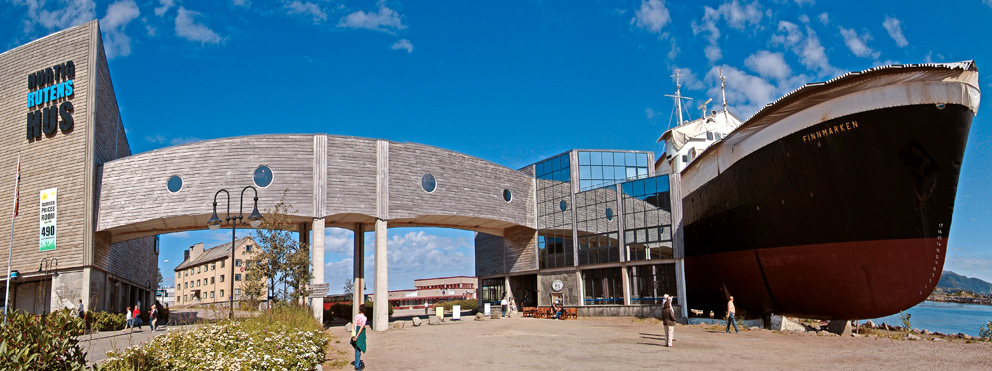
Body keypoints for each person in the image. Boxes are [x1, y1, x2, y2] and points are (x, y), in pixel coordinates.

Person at [351, 304, 368, 370]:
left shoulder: (356, 316)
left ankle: (358, 363)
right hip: (360, 334)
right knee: (358, 349)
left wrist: (353, 335)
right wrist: (357, 336)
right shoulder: (364, 318)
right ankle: (357, 365)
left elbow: (353, 325)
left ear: (360, 310)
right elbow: (361, 328)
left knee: (357, 348)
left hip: (355, 331)